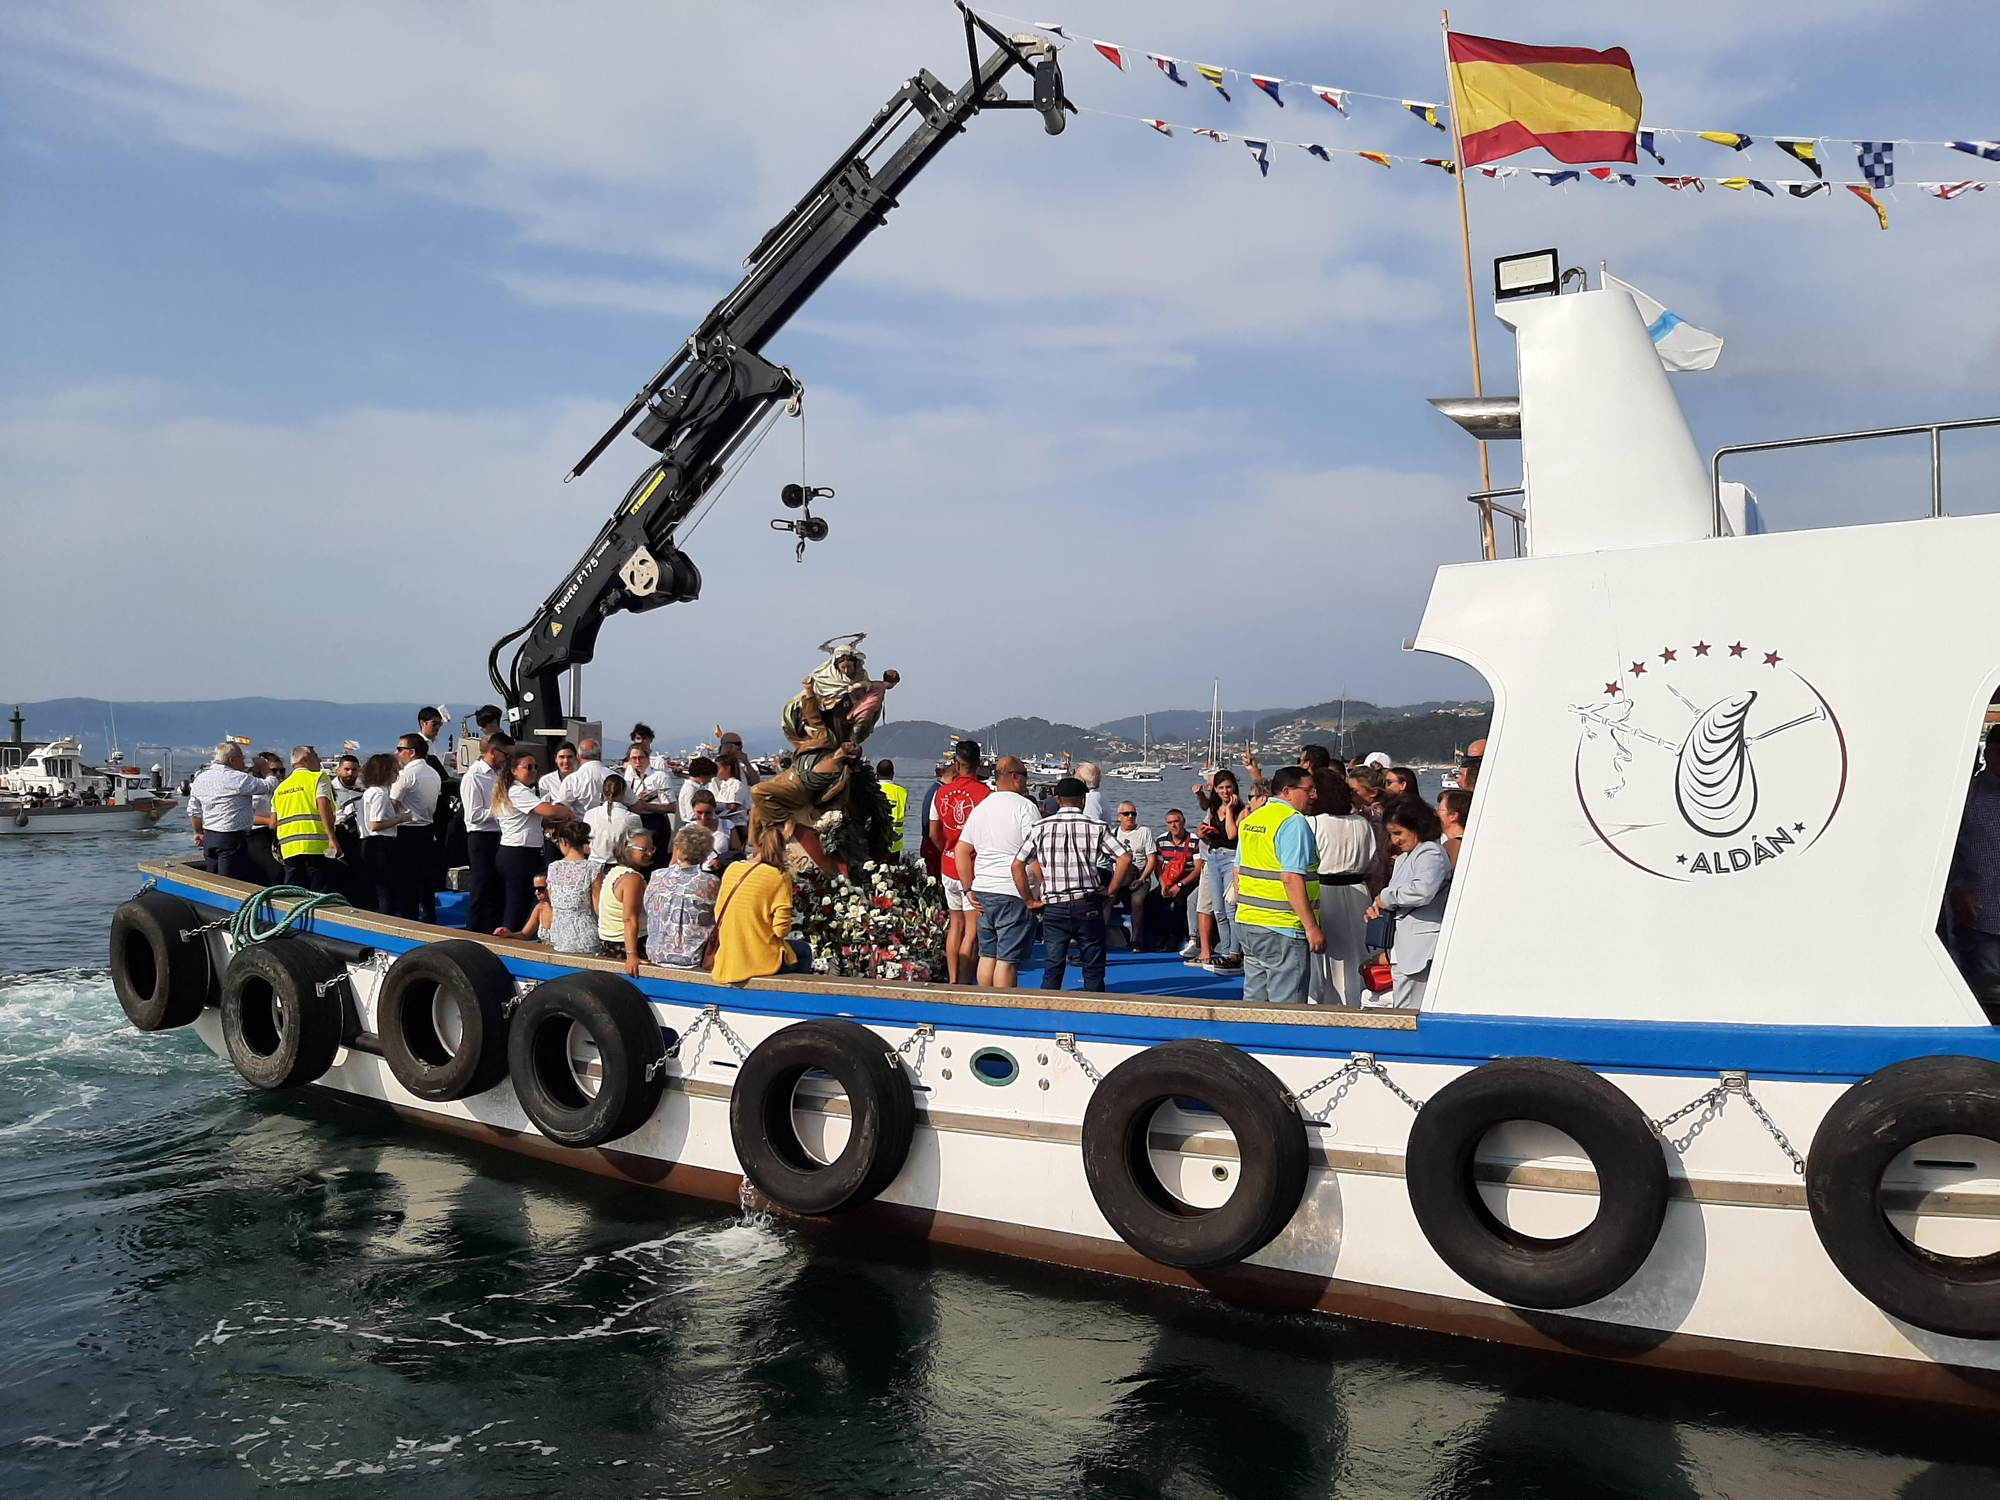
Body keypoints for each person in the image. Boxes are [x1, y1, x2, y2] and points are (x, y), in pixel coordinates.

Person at [1014, 777, 1131, 992]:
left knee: (1053, 966)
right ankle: (1094, 1011)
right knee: (1093, 965)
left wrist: (1030, 900)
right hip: (1087, 903)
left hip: (1054, 906)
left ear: (1058, 800)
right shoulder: (1096, 827)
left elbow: (1017, 864)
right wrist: (1111, 890)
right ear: (1083, 800)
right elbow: (1124, 858)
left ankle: (1049, 1012)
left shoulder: (1040, 827)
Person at [1233, 766, 1325, 1004]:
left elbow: (1238, 871)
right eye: (1309, 790)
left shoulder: (1251, 820)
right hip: (1283, 925)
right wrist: (1311, 927)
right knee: (1287, 1007)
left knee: (1254, 1000)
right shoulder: (1293, 822)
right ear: (1288, 791)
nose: (1314, 795)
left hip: (1249, 921)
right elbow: (1291, 877)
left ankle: (1251, 1041)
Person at [956, 756, 1041, 990]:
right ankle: (1005, 1008)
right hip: (1013, 891)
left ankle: (985, 1003)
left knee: (988, 954)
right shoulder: (1026, 807)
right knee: (1007, 960)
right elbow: (1035, 853)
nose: (1026, 780)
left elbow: (961, 850)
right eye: (1025, 774)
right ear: (1015, 777)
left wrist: (967, 888)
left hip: (983, 889)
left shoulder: (982, 806)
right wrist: (1039, 893)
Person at [1366, 799, 1452, 1011]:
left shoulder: (1430, 852)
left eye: (1399, 833)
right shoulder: (1408, 856)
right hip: (1404, 945)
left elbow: (1422, 891)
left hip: (1421, 946)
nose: (1395, 840)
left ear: (1417, 827)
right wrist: (1380, 906)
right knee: (1404, 1006)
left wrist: (1386, 898)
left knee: (1411, 1010)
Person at [1308, 771, 1377, 1008]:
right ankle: (1359, 1000)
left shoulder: (1313, 823)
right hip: (1358, 891)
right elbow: (1372, 863)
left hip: (1325, 892)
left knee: (1326, 956)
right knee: (1358, 950)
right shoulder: (1362, 824)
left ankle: (1326, 1003)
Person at [711, 824, 806, 984]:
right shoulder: (779, 876)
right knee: (803, 952)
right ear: (782, 849)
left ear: (756, 845)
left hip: (728, 956)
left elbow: (718, 912)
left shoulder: (732, 868)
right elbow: (780, 930)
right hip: (760, 959)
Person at [930, 740, 990, 985]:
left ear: (956, 763)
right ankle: (965, 983)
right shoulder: (986, 795)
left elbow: (934, 833)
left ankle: (953, 979)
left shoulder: (940, 793)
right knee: (972, 931)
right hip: (973, 869)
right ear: (979, 764)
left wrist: (948, 849)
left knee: (955, 925)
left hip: (948, 864)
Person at [494, 748, 573, 931]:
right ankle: (510, 941)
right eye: (528, 767)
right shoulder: (517, 791)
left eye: (536, 767)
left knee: (524, 901)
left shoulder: (519, 791)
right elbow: (549, 810)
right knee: (518, 904)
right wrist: (568, 811)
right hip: (517, 852)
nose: (533, 771)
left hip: (521, 850)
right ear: (514, 770)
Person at [1949, 725, 2000, 1003]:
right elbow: (1945, 849)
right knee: (1987, 1001)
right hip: (1982, 917)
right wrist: (1955, 889)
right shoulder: (1965, 796)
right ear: (1990, 753)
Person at [502, 819, 599, 955]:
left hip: (559, 939)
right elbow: (599, 908)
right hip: (587, 938)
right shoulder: (593, 869)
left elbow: (555, 902)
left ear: (563, 842)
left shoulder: (553, 868)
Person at [187, 742, 279, 881]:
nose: (243, 761)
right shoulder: (238, 779)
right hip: (231, 837)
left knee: (212, 876)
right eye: (241, 757)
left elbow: (194, 810)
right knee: (229, 880)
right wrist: (265, 768)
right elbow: (270, 786)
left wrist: (198, 832)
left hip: (210, 835)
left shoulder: (201, 778)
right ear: (232, 760)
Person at [645, 823, 723, 969]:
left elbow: (648, 908)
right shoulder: (710, 882)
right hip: (693, 959)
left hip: (656, 955)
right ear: (706, 852)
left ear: (678, 848)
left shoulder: (657, 875)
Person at [1192, 768, 1246, 975]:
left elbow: (1232, 834)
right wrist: (1201, 833)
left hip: (1231, 858)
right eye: (1221, 788)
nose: (1225, 791)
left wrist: (1230, 810)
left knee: (1231, 909)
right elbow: (1206, 825)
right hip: (1213, 857)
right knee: (1219, 910)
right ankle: (1225, 952)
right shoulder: (1213, 808)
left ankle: (1235, 954)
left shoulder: (1241, 809)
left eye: (1228, 787)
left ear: (1235, 788)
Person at [272, 746, 342, 892]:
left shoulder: (281, 787)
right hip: (315, 845)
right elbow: (323, 805)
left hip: (289, 848)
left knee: (293, 891)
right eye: (316, 756)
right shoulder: (318, 778)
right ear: (306, 759)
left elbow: (273, 822)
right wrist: (332, 838)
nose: (318, 760)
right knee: (319, 891)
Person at [461, 732, 512, 933]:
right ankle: (473, 932)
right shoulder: (473, 776)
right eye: (505, 756)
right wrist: (502, 810)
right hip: (481, 837)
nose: (507, 760)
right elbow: (473, 815)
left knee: (497, 889)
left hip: (499, 835)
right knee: (481, 888)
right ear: (493, 752)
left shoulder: (499, 775)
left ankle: (492, 930)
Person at [391, 733, 442, 922]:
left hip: (407, 829)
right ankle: (429, 915)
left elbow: (392, 803)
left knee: (407, 879)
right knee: (425, 877)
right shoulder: (434, 774)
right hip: (427, 828)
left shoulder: (406, 775)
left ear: (411, 752)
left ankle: (409, 917)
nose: (397, 753)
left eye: (400, 749)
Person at [595, 827, 655, 977]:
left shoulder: (613, 872)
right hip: (626, 944)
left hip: (609, 942)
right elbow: (629, 918)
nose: (649, 853)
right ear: (628, 850)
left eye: (651, 848)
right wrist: (632, 955)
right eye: (643, 849)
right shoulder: (632, 879)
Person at [358, 753, 413, 914]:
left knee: (376, 887)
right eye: (395, 771)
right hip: (380, 844)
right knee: (385, 889)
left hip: (368, 843)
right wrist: (401, 819)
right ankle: (387, 920)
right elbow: (375, 824)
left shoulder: (369, 792)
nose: (397, 774)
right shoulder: (380, 794)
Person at [1109, 801, 1159, 950]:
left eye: (1133, 814)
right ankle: (1100, 935)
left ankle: (1135, 939)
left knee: (1137, 901)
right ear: (1119, 816)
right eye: (1126, 814)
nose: (1130, 817)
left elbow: (1152, 860)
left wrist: (1142, 879)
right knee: (1107, 898)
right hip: (1120, 877)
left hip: (1140, 877)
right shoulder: (1113, 834)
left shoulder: (1144, 832)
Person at [1154, 809, 1203, 956]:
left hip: (1189, 879)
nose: (1173, 825)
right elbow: (1158, 867)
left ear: (1183, 822)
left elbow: (1198, 868)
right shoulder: (1162, 840)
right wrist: (1162, 884)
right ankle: (1158, 936)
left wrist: (1180, 885)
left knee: (1181, 901)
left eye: (1176, 821)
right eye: (1170, 822)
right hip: (1168, 879)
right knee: (1151, 901)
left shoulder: (1194, 840)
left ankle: (1174, 940)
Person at [1346, 762, 1393, 894]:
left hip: (1368, 875)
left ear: (1372, 793)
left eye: (1355, 792)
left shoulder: (1369, 815)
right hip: (1383, 871)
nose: (1351, 796)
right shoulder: (1386, 811)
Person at [621, 742, 675, 840]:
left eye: (641, 757)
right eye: (634, 758)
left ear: (648, 758)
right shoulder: (629, 776)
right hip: (633, 821)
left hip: (654, 822)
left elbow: (672, 807)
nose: (638, 761)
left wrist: (645, 806)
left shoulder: (660, 776)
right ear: (629, 760)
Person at [587, 773, 642, 862]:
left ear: (603, 792)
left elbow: (587, 844)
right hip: (620, 865)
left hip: (593, 864)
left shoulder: (589, 814)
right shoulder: (632, 818)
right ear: (624, 792)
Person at [330, 753, 365, 874]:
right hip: (340, 835)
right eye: (346, 769)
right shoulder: (330, 789)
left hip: (361, 836)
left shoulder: (364, 788)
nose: (350, 773)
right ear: (338, 770)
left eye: (354, 770)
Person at [684, 788, 731, 869]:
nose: (703, 817)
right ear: (693, 809)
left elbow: (737, 852)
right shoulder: (686, 830)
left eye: (708, 813)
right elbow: (675, 860)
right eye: (699, 812)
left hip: (720, 872)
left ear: (714, 808)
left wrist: (720, 860)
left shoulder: (726, 825)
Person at [564, 737, 611, 814]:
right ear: (599, 756)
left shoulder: (572, 779)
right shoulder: (614, 776)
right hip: (608, 823)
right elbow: (632, 803)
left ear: (578, 757)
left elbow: (561, 806)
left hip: (581, 823)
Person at [710, 750, 749, 843]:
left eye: (717, 769)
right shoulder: (723, 785)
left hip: (736, 825)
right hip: (724, 824)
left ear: (727, 768)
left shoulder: (736, 785)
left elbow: (733, 806)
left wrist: (716, 808)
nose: (715, 772)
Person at [918, 760, 949, 877]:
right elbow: (933, 831)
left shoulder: (934, 790)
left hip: (930, 842)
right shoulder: (939, 793)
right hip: (934, 844)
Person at [877, 759, 909, 854]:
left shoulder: (872, 789)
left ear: (877, 774)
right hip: (896, 841)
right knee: (893, 867)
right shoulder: (902, 791)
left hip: (875, 839)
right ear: (893, 774)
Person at [677, 756, 718, 822]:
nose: (710, 780)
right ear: (702, 775)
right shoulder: (690, 789)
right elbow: (691, 815)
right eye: (710, 777)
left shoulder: (696, 787)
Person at [1439, 787, 1471, 869]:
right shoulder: (1470, 841)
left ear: (1453, 816)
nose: (1436, 812)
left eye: (1440, 809)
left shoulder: (1452, 846)